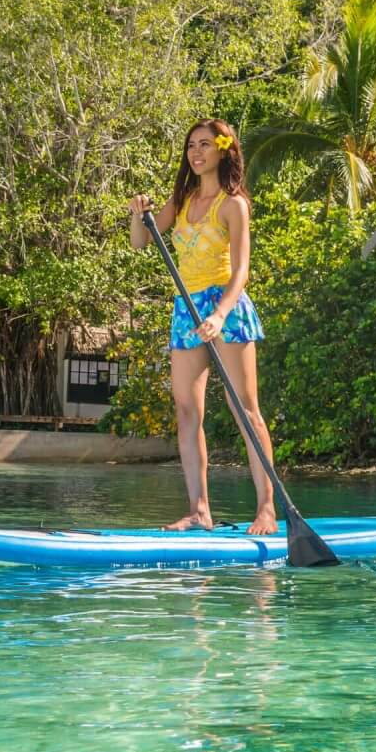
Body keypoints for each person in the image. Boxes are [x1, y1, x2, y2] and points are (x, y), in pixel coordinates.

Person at [130, 119, 277, 536]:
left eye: (205, 144)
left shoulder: (233, 204)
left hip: (224, 307)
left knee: (245, 409)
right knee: (186, 410)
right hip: (186, 308)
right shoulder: (181, 199)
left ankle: (267, 509)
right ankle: (199, 511)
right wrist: (138, 216)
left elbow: (242, 270)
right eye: (191, 145)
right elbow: (141, 242)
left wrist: (220, 314)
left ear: (223, 150)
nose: (196, 152)